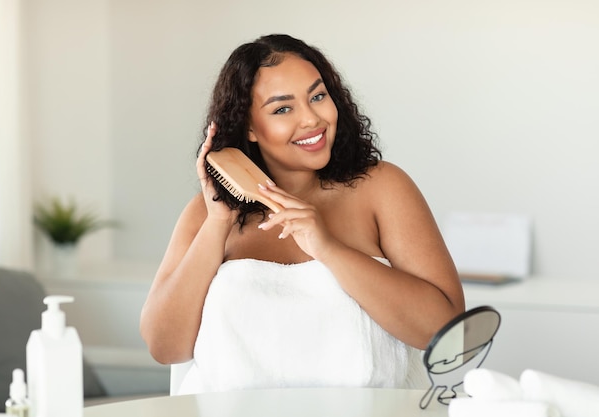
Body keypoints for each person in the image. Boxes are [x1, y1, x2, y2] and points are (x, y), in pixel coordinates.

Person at [140, 34, 465, 394]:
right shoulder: (207, 214)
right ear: (249, 127)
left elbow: (447, 332)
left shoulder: (383, 188)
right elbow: (165, 347)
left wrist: (327, 248)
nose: (312, 119)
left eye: (317, 96)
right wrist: (218, 224)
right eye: (282, 108)